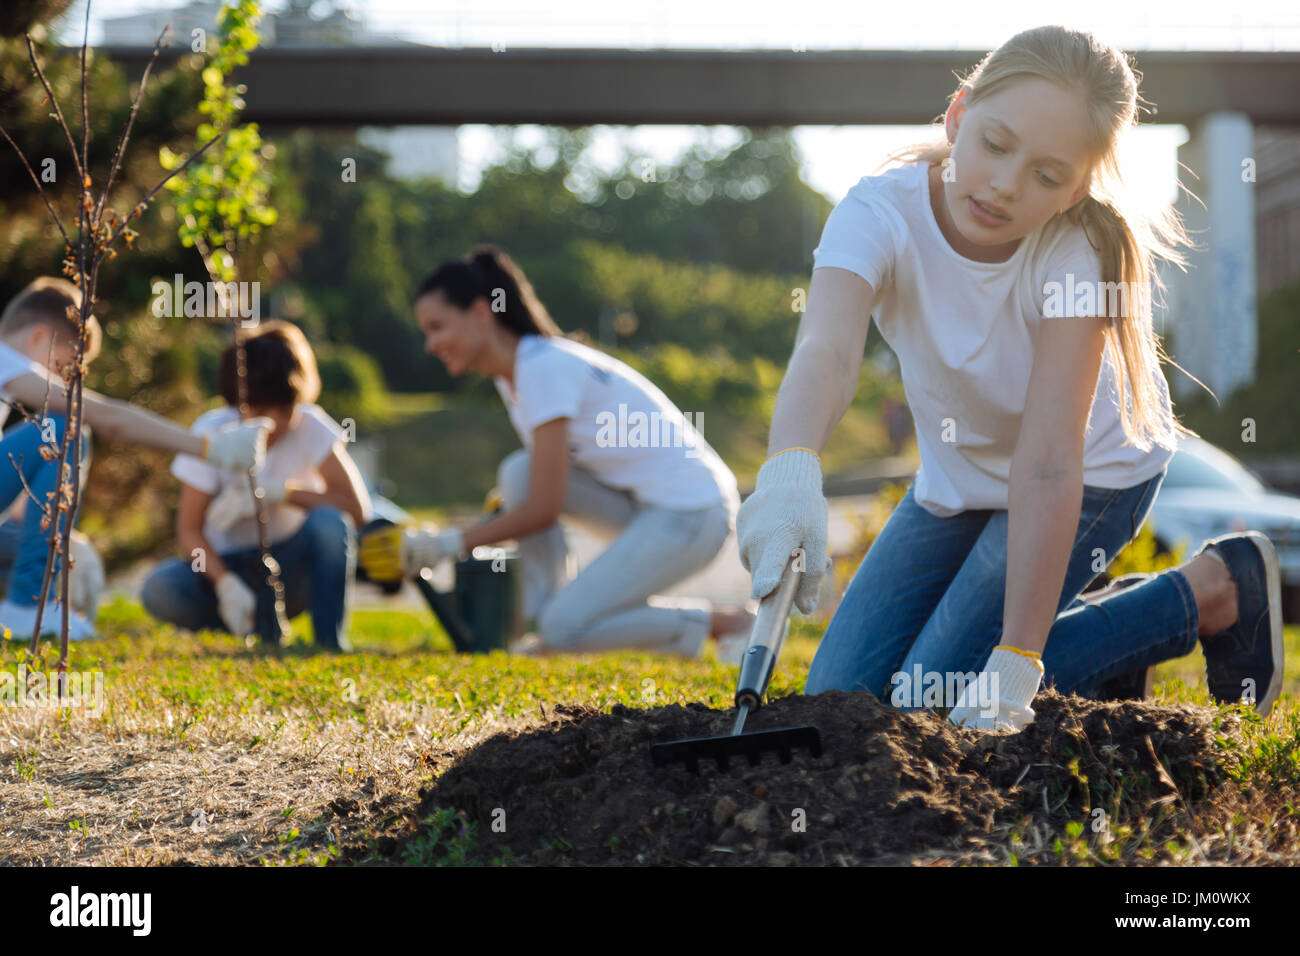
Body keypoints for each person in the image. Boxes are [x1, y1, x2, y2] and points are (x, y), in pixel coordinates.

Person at [736, 25, 1283, 731]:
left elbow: (1052, 461)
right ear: (958, 116)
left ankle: (1210, 590)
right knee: (841, 702)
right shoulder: (877, 212)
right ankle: (1110, 645)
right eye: (996, 144)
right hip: (959, 482)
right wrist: (791, 469)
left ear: (1076, 187)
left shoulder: (1077, 251)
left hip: (1090, 478)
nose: (1005, 185)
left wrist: (1019, 658)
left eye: (1046, 175)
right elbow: (827, 350)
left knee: (923, 703)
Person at [358, 245, 753, 659]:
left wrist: (446, 544)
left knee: (564, 626)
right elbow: (542, 487)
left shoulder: (541, 368)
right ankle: (544, 619)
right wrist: (490, 521)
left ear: (480, 312)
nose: (429, 344)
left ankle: (727, 623)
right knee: (519, 473)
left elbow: (544, 508)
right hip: (646, 510)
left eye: (437, 326)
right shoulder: (515, 376)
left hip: (694, 512)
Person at [0, 277, 270, 640]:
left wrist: (62, 539)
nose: (57, 381)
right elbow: (110, 418)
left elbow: (19, 489)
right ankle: (28, 605)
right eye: (59, 368)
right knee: (66, 427)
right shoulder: (5, 360)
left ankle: (33, 598)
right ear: (37, 338)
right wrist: (208, 448)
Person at [141, 321, 371, 651]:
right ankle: (238, 617)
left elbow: (356, 512)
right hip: (231, 567)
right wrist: (224, 583)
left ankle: (329, 641)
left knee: (329, 523)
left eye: (284, 409)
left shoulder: (312, 427)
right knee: (161, 588)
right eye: (261, 410)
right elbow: (189, 531)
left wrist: (283, 493)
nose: (274, 423)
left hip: (292, 569)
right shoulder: (212, 431)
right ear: (237, 403)